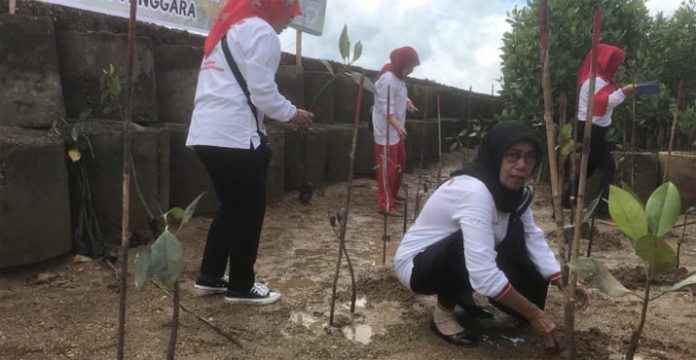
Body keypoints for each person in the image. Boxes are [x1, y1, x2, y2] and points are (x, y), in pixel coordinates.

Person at [393, 121, 591, 348]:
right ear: (496, 156)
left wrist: (561, 278)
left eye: (529, 157)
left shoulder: (518, 194)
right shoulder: (474, 191)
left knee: (513, 233)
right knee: (468, 247)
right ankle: (443, 313)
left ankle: (463, 296)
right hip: (418, 265)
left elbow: (532, 237)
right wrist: (534, 313)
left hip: (453, 257)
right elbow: (483, 272)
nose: (521, 165)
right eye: (512, 156)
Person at [186, 0, 313, 305]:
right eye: (288, 17)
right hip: (233, 135)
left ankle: (210, 276)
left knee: (230, 206)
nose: (287, 25)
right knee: (250, 208)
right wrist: (295, 115)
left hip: (205, 132)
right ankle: (242, 285)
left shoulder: (229, 31)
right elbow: (263, 94)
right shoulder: (262, 33)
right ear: (276, 8)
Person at [565, 44, 637, 214]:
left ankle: (566, 198)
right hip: (592, 129)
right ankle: (601, 207)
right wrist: (624, 91)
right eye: (616, 63)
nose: (618, 67)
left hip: (592, 128)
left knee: (590, 166)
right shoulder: (595, 81)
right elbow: (602, 103)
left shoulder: (599, 80)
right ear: (606, 61)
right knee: (608, 166)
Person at [371, 46, 421, 216]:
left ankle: (393, 194)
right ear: (402, 63)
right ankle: (385, 203)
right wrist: (398, 126)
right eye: (410, 66)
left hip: (397, 130)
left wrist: (409, 103)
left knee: (400, 162)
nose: (412, 70)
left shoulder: (398, 77)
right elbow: (386, 107)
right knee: (387, 168)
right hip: (387, 130)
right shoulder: (387, 79)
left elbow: (401, 95)